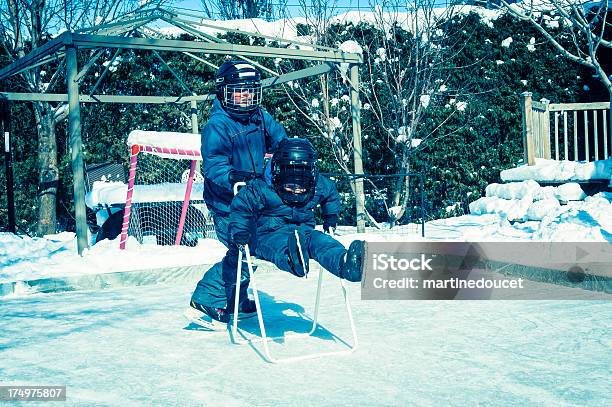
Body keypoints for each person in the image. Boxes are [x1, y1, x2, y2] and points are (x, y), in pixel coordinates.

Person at [188, 138, 364, 328]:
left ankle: (344, 263)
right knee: (276, 246)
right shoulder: (261, 187)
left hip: (303, 232)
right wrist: (241, 232)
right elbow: (241, 208)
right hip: (266, 233)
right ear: (278, 173)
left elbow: (329, 192)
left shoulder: (317, 183)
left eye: (301, 187)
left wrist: (330, 216)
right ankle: (293, 258)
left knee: (322, 241)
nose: (296, 191)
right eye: (291, 186)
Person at [189, 60, 287, 322]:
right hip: (226, 203)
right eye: (239, 90)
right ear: (224, 91)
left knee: (249, 249)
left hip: (254, 198)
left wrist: (291, 155)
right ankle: (208, 296)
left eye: (251, 90)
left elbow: (282, 140)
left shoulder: (259, 117)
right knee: (244, 248)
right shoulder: (217, 126)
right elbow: (214, 166)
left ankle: (236, 299)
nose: (246, 96)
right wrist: (232, 176)